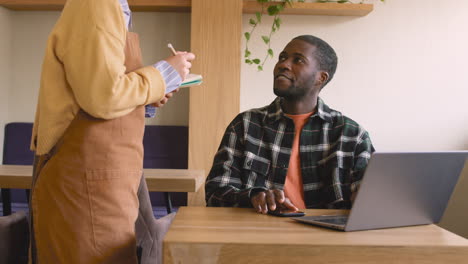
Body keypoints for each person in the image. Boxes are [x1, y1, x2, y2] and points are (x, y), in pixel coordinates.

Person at [28, 0, 195, 263]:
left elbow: (99, 90)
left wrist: (147, 97)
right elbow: (103, 95)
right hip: (86, 181)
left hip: (100, 179)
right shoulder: (98, 3)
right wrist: (163, 74)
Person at [205, 35, 374, 214]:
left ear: (321, 78)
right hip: (259, 234)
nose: (283, 65)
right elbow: (215, 193)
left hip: (328, 239)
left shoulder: (351, 135)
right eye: (282, 57)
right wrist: (253, 197)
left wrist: (366, 200)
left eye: (298, 60)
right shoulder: (245, 125)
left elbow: (371, 199)